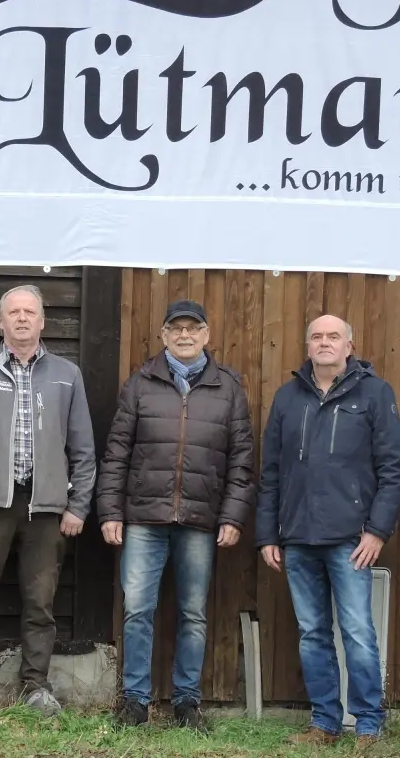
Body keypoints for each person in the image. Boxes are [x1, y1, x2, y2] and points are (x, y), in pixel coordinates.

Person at [0, 284, 97, 720]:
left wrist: (78, 506)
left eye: (30, 312)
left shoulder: (67, 374)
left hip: (47, 507)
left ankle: (35, 685)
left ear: (43, 321)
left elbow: (83, 449)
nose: (23, 318)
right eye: (14, 312)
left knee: (40, 600)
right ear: (1, 322)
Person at [96, 299, 254, 731]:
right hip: (144, 519)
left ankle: (186, 702)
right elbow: (116, 455)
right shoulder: (140, 384)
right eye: (176, 328)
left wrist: (232, 517)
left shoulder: (228, 388)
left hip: (201, 522)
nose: (185, 335)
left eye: (194, 328)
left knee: (193, 614)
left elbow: (241, 461)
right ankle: (135, 703)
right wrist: (111, 511)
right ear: (163, 335)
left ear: (207, 336)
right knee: (137, 611)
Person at [257, 315, 400, 745]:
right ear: (308, 347)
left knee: (358, 631)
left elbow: (395, 469)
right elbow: (270, 474)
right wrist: (268, 534)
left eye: (334, 336)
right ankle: (324, 723)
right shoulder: (287, 399)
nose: (325, 343)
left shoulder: (375, 395)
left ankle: (368, 724)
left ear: (349, 345)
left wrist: (377, 531)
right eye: (317, 337)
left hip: (351, 540)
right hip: (298, 539)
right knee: (312, 633)